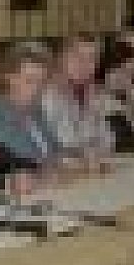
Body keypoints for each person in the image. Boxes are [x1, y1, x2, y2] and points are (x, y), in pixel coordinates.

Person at [0, 42, 60, 170]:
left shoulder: (35, 112)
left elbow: (56, 150)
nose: (37, 88)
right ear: (9, 77)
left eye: (42, 81)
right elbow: (23, 159)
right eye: (30, 80)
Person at [40, 34, 114, 166]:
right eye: (77, 57)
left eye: (92, 59)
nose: (85, 65)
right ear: (59, 59)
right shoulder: (43, 96)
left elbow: (106, 140)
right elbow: (60, 147)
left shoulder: (86, 94)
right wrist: (88, 152)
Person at [97, 39, 134, 152]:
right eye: (121, 71)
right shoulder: (97, 98)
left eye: (131, 74)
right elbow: (118, 139)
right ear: (107, 71)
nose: (125, 79)